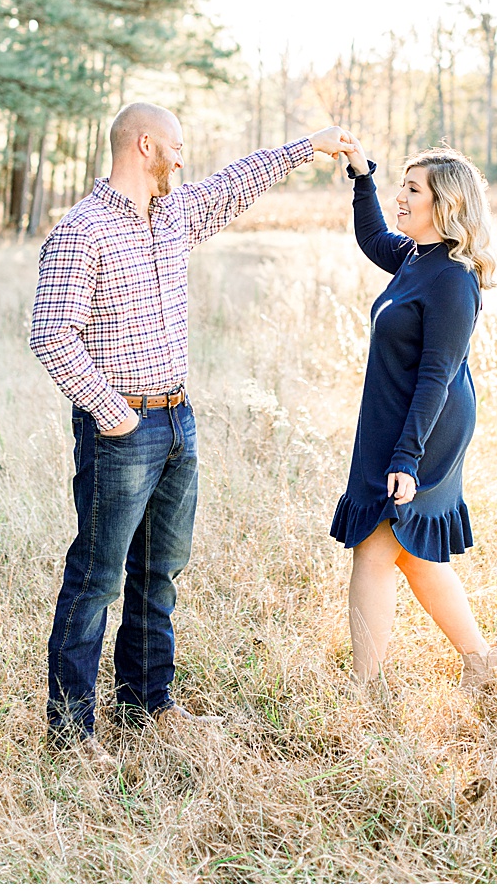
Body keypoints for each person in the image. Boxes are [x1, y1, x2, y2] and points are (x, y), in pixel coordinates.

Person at [29, 102, 348, 763]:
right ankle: (70, 736)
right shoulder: (80, 233)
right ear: (144, 146)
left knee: (160, 571)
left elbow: (233, 183)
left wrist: (305, 148)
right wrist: (109, 410)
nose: (182, 159)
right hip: (119, 429)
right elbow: (51, 333)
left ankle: (148, 703)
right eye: (175, 147)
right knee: (97, 577)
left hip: (178, 419)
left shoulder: (172, 216)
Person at [330, 134, 497, 702]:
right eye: (401, 187)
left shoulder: (454, 280)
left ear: (445, 205)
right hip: (396, 415)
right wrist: (362, 177)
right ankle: (481, 662)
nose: (400, 198)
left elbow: (437, 376)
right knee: (408, 551)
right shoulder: (416, 257)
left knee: (378, 544)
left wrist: (406, 456)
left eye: (412, 190)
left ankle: (365, 691)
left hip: (424, 426)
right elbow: (372, 235)